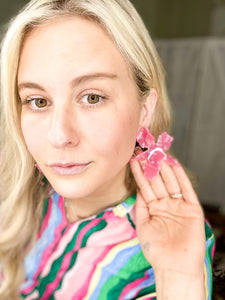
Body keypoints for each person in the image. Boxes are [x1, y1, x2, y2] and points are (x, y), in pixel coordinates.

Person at [0, 0, 215, 299]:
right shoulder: (24, 195)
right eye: (38, 101)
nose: (59, 136)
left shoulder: (174, 245)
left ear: (144, 109)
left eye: (91, 97)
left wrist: (178, 277)